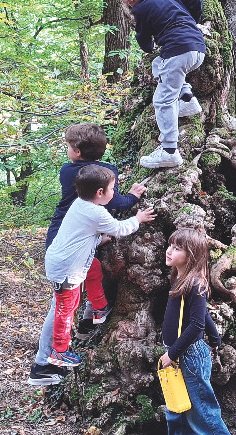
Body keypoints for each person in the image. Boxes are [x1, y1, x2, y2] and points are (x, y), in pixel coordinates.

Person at [28, 165, 156, 386]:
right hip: (67, 268)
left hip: (68, 259)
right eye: (112, 189)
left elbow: (77, 234)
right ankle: (59, 351)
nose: (114, 193)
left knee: (94, 268)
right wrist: (139, 219)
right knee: (66, 309)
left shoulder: (80, 204)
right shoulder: (96, 212)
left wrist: (98, 240)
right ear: (99, 193)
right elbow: (120, 229)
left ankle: (99, 307)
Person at [43, 123, 146, 329]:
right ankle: (86, 316)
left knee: (79, 281)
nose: (67, 150)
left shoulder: (67, 170)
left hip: (63, 233)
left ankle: (90, 314)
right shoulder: (108, 172)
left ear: (78, 151)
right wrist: (133, 197)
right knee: (72, 289)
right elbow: (115, 202)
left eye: (68, 146)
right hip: (82, 235)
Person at [114, 0, 206, 169]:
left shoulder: (140, 9)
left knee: (162, 100)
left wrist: (150, 45)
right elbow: (196, 1)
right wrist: (192, 23)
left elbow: (144, 41)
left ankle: (169, 151)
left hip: (177, 50)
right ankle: (187, 99)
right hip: (197, 49)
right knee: (159, 64)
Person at [160, 228, 228, 435]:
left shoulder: (196, 284)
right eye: (170, 245)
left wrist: (172, 354)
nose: (169, 251)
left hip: (187, 356)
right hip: (176, 353)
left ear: (191, 256)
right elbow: (203, 316)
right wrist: (215, 339)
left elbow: (197, 324)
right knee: (177, 407)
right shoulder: (178, 279)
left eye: (177, 248)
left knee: (202, 413)